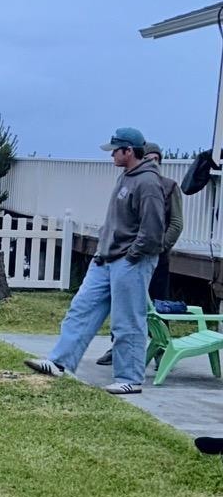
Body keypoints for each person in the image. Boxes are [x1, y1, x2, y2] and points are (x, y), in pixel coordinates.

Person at [26, 127, 166, 394]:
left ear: (129, 151)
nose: (112, 154)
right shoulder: (125, 177)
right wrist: (103, 251)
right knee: (81, 308)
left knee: (127, 320)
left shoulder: (147, 182)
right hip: (106, 259)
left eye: (116, 150)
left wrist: (132, 255)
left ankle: (130, 378)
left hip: (130, 261)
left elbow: (153, 229)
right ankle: (59, 362)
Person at [94, 141, 184, 364]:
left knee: (158, 303)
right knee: (124, 304)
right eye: (149, 158)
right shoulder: (131, 182)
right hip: (129, 256)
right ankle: (118, 349)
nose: (152, 162)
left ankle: (161, 350)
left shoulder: (169, 186)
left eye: (156, 159)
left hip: (156, 257)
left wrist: (161, 246)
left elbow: (176, 223)